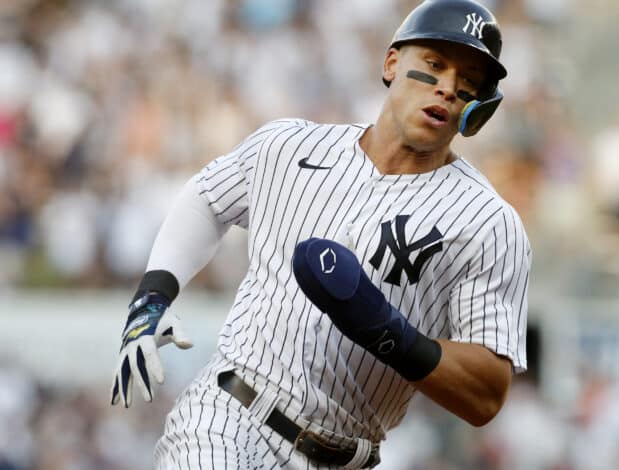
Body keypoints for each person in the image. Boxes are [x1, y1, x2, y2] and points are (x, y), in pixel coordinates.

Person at [110, 0, 532, 468]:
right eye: (434, 64)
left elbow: (486, 394)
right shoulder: (290, 146)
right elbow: (208, 199)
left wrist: (389, 333)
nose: (448, 87)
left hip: (348, 455)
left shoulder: (487, 222)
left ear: (480, 106)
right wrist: (152, 297)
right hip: (229, 418)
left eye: (469, 81)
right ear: (392, 63)